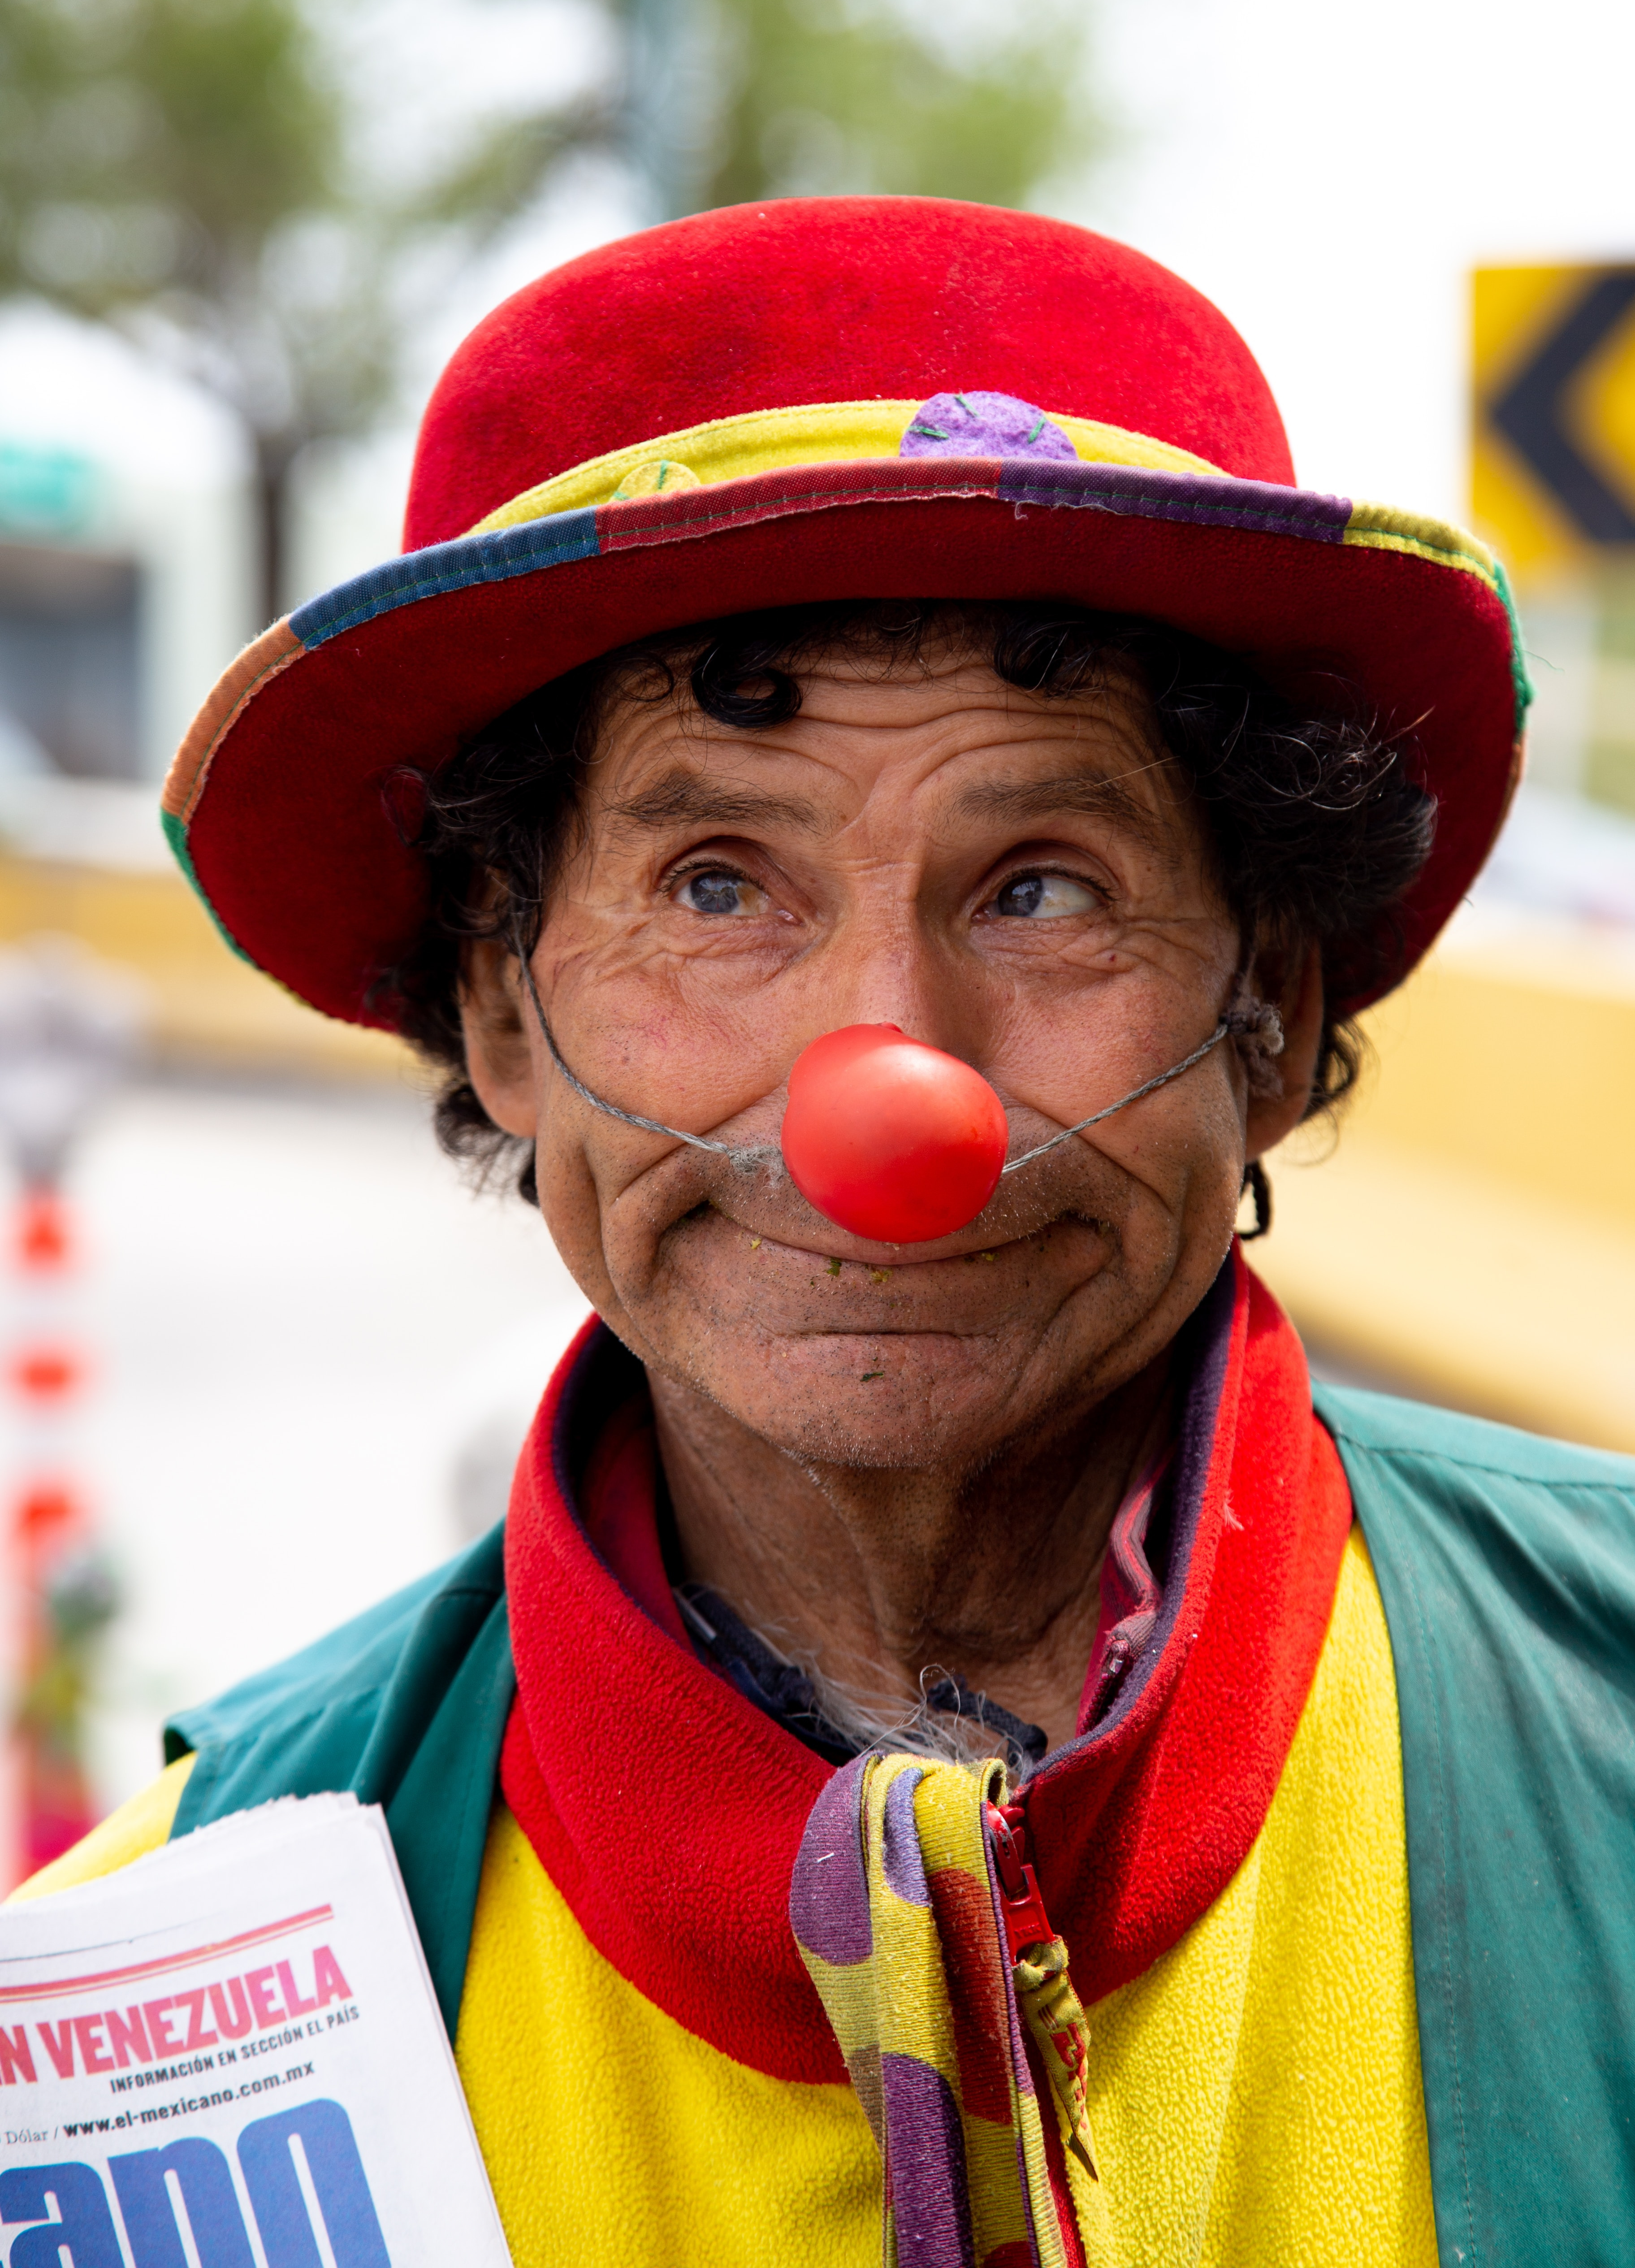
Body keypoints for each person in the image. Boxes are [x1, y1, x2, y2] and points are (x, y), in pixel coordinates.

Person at [22, 199, 1635, 2268]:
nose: (884, 1090)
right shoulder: (121, 2021)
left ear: (1274, 1014)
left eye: (1041, 885)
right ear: (508, 1012)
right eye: (714, 884)